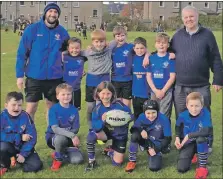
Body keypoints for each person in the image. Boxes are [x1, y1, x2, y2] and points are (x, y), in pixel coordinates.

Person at [170, 6, 223, 152]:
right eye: (186, 17)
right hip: (181, 85)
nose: (189, 19)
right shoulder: (177, 36)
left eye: (191, 16)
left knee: (204, 114)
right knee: (182, 115)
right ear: (182, 19)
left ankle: (207, 143)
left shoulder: (207, 35)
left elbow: (216, 58)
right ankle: (182, 142)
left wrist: (218, 79)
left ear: (197, 16)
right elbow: (166, 51)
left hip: (201, 85)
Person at [16, 3, 70, 122]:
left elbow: (70, 54)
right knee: (30, 108)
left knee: (52, 109)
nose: (53, 14)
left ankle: (50, 137)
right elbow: (22, 53)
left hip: (55, 77)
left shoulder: (63, 33)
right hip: (34, 76)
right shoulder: (32, 29)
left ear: (58, 15)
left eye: (55, 12)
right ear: (45, 13)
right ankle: (28, 137)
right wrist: (19, 75)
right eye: (50, 11)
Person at [85, 81, 132, 172]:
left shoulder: (120, 105)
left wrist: (124, 119)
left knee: (117, 163)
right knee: (91, 135)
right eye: (103, 93)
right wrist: (102, 120)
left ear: (112, 94)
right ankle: (92, 161)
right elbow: (96, 127)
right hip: (106, 132)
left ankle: (110, 152)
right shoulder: (97, 109)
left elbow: (130, 116)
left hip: (119, 134)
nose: (105, 96)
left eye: (108, 93)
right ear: (98, 94)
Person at [0, 92, 43, 176]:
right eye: (13, 105)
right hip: (9, 146)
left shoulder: (26, 116)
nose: (17, 108)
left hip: (22, 147)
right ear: (6, 105)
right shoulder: (2, 117)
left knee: (36, 166)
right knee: (2, 147)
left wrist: (23, 154)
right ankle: (4, 165)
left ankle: (17, 159)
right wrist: (19, 137)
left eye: (19, 105)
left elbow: (32, 137)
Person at [125, 99, 171, 173]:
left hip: (157, 143)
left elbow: (168, 139)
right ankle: (132, 161)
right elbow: (133, 129)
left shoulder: (164, 119)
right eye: (148, 113)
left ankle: (159, 151)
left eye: (153, 112)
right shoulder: (142, 116)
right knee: (134, 136)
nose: (151, 115)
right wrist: (141, 130)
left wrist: (156, 149)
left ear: (157, 111)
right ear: (144, 112)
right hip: (146, 140)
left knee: (154, 167)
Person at [45, 83, 83, 171]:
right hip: (54, 137)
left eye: (68, 94)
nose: (66, 96)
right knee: (60, 139)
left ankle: (63, 152)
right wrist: (72, 136)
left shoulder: (74, 110)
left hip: (69, 138)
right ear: (57, 96)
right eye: (63, 94)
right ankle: (58, 158)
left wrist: (71, 136)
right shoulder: (53, 109)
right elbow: (55, 129)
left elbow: (76, 128)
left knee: (78, 160)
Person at [175, 92, 212, 179]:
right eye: (191, 106)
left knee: (201, 139)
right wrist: (177, 137)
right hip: (189, 142)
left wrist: (189, 135)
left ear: (201, 105)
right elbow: (178, 126)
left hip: (202, 140)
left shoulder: (206, 114)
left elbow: (207, 131)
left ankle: (202, 167)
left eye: (197, 106)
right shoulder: (182, 115)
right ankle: (193, 155)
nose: (194, 109)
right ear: (187, 105)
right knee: (181, 168)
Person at [147, 32, 176, 120]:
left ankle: (165, 133)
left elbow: (172, 77)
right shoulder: (151, 58)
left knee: (164, 115)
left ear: (168, 45)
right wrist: (155, 90)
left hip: (166, 92)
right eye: (159, 42)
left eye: (164, 43)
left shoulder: (171, 58)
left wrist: (163, 91)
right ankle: (154, 133)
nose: (161, 45)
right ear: (155, 44)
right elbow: (148, 76)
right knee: (153, 114)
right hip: (154, 91)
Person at [111, 26, 135, 108]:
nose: (120, 38)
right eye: (118, 36)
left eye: (122, 35)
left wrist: (146, 56)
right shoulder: (111, 49)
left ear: (126, 36)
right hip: (115, 80)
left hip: (127, 80)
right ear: (114, 37)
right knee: (117, 104)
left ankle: (127, 120)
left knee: (126, 105)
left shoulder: (131, 47)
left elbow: (144, 50)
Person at [62, 37, 87, 110]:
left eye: (77, 48)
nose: (74, 50)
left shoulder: (82, 57)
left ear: (80, 48)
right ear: (68, 48)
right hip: (65, 89)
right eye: (72, 48)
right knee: (66, 108)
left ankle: (75, 121)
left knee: (76, 109)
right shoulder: (64, 57)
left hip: (76, 88)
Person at [131, 37, 150, 120]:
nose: (139, 50)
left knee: (148, 116)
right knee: (137, 115)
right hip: (135, 94)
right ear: (134, 49)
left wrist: (147, 55)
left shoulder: (150, 59)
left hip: (147, 94)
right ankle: (137, 132)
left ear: (146, 48)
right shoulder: (131, 58)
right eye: (137, 48)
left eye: (142, 48)